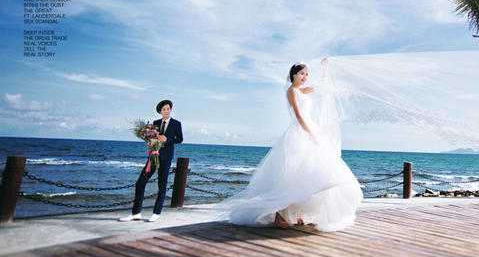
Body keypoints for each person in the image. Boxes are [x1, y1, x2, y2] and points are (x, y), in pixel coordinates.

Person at [218, 61, 362, 232]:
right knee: (290, 176)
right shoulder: (292, 91)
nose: (305, 77)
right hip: (300, 132)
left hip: (309, 129)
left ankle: (299, 213)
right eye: (302, 74)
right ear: (293, 74)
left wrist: (325, 68)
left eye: (306, 74)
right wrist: (310, 133)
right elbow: (299, 116)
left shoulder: (301, 91)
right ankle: (279, 214)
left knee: (308, 174)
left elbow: (318, 86)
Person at [120, 99, 184, 222]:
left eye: (168, 109)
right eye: (164, 109)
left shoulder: (176, 123)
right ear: (160, 111)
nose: (167, 111)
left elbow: (180, 139)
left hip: (166, 157)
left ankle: (156, 213)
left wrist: (167, 139)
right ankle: (136, 213)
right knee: (140, 182)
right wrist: (150, 142)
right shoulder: (155, 123)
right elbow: (152, 137)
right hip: (154, 156)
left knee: (162, 185)